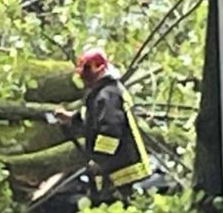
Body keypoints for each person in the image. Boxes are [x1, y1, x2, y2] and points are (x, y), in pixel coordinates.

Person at [53, 48, 150, 204]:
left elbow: (110, 132)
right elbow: (92, 118)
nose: (83, 76)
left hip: (123, 170)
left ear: (99, 68)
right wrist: (71, 119)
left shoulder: (108, 94)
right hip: (113, 169)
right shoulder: (101, 93)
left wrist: (99, 160)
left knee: (119, 208)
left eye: (87, 70)